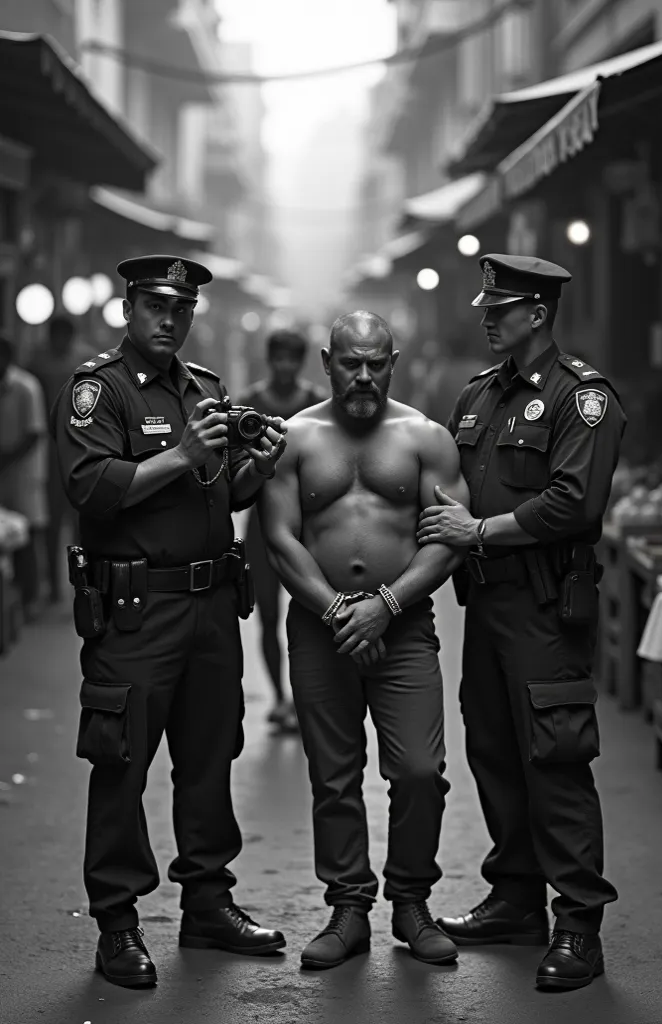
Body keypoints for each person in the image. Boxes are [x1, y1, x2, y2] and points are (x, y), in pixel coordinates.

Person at [51, 255, 288, 989]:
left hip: (211, 604)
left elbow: (219, 491)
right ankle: (117, 923)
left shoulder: (206, 389)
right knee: (122, 761)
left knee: (210, 754)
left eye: (181, 309)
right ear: (128, 308)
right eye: (156, 305)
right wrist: (181, 454)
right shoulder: (100, 390)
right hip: (135, 610)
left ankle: (208, 903)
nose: (170, 318)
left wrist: (257, 471)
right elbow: (91, 487)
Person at [416, 254, 626, 991]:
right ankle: (514, 898)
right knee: (495, 749)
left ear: (536, 314)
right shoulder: (478, 396)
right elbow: (440, 481)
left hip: (543, 605)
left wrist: (479, 532)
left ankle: (576, 924)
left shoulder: (581, 399)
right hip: (487, 605)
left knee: (554, 757)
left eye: (499, 307)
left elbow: (574, 503)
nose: (485, 315)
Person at [259, 310, 468, 970]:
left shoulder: (425, 437)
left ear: (393, 362)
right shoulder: (294, 438)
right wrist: (338, 614)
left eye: (376, 362)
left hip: (401, 627)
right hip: (321, 631)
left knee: (417, 773)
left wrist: (383, 605)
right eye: (350, 361)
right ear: (326, 361)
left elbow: (446, 539)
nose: (363, 375)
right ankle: (348, 908)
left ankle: (409, 902)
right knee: (333, 776)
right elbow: (279, 537)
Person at [238, 330, 326, 731]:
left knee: (312, 610)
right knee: (268, 614)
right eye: (280, 359)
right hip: (261, 522)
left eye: (293, 359)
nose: (286, 367)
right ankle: (278, 697)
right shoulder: (250, 405)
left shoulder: (316, 403)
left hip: (308, 524)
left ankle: (308, 697)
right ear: (270, 360)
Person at [30, 315, 89, 603]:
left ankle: (82, 582)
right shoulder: (38, 363)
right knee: (54, 524)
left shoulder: (83, 362)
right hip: (54, 453)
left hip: (78, 450)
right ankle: (54, 587)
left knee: (81, 524)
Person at [0, 334, 49, 618]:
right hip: (3, 469)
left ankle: (30, 598)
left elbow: (34, 433)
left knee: (27, 536)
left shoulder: (26, 387)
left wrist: (7, 458)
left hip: (23, 472)